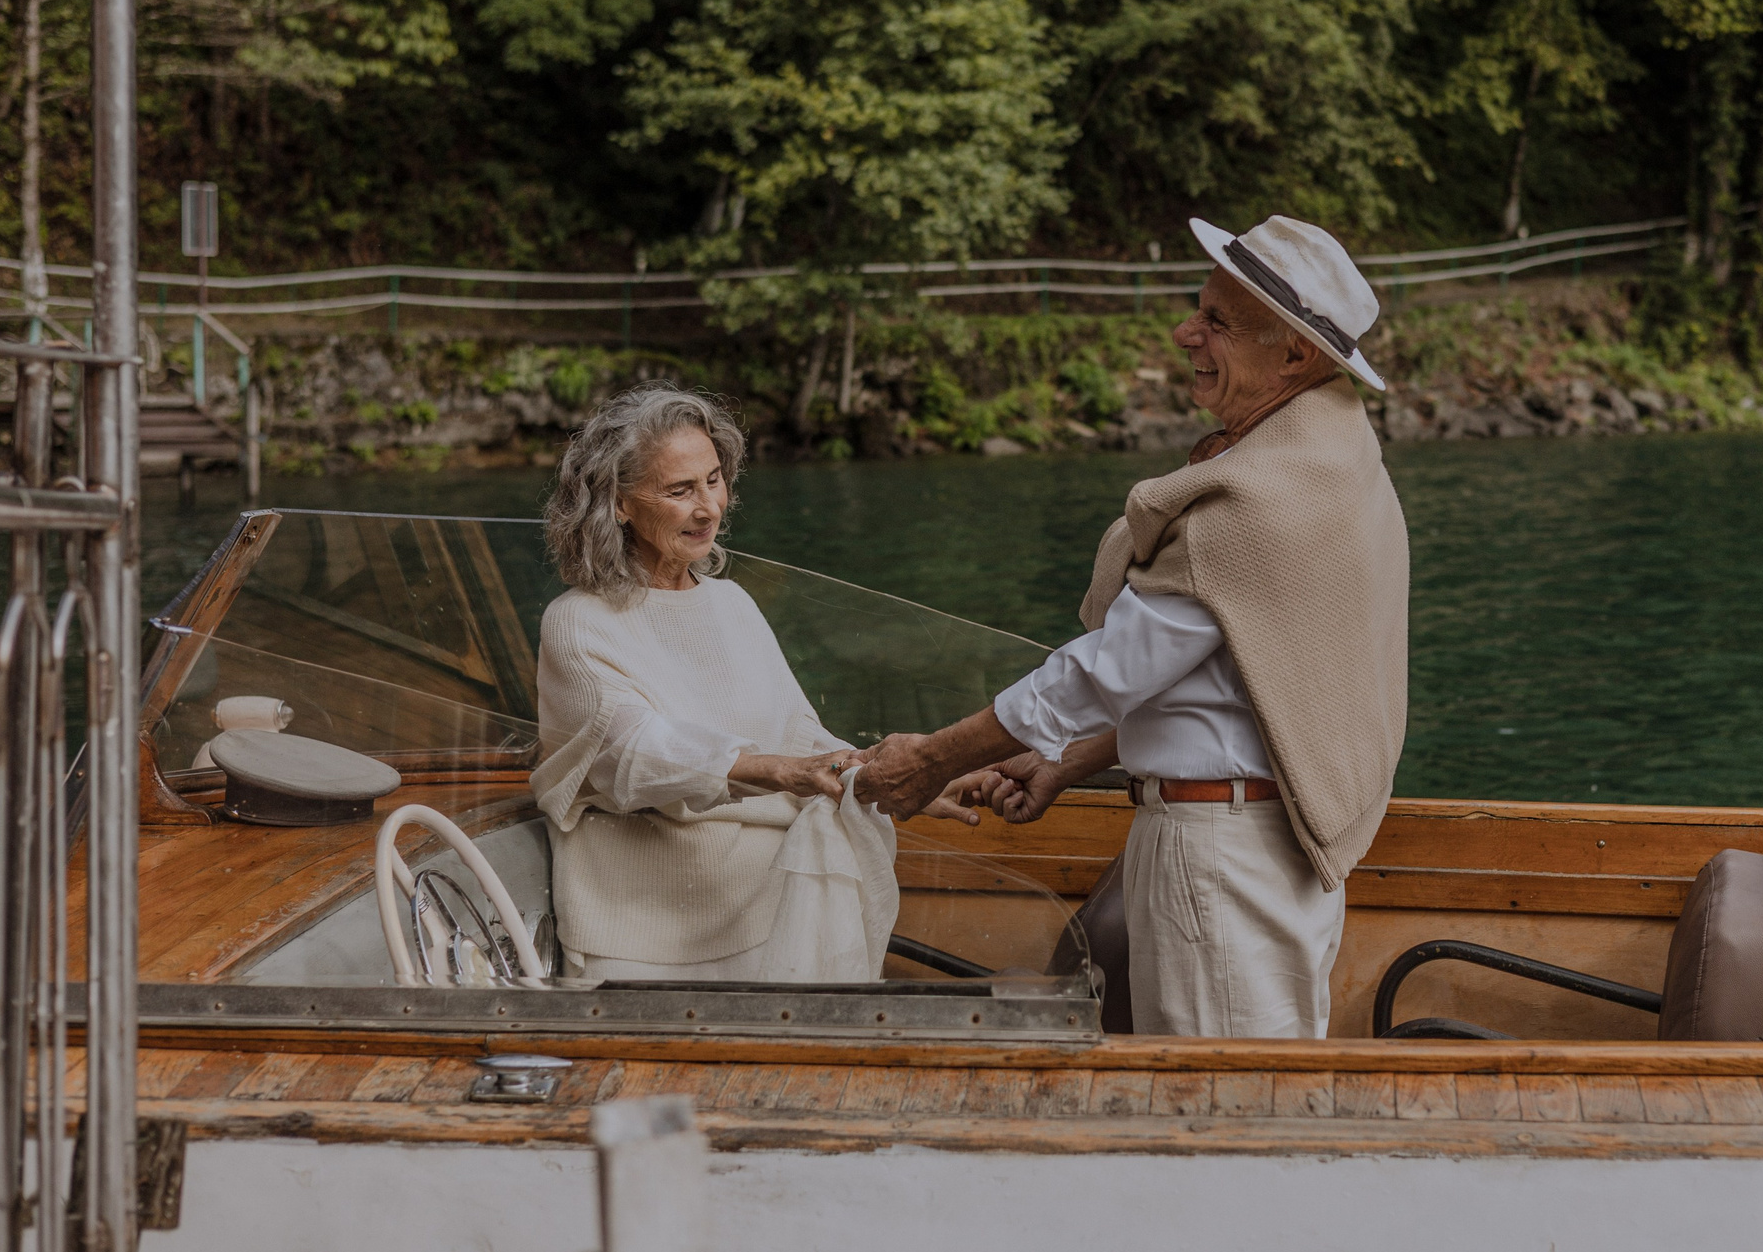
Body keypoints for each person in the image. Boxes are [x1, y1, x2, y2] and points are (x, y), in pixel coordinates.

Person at [864, 214, 1410, 1037]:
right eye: (1199, 308)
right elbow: (1234, 685)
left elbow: (1100, 673)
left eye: (1217, 322)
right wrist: (1064, 760)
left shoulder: (1252, 505)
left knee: (1221, 1129)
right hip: (1268, 850)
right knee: (1246, 1115)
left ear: (1296, 353)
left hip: (1220, 861)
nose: (1186, 331)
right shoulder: (1339, 464)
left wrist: (932, 759)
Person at [532, 384, 940, 983]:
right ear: (619, 503)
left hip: (773, 908)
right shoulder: (577, 622)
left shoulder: (732, 602)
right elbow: (635, 756)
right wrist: (774, 770)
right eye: (680, 490)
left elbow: (801, 732)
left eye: (714, 480)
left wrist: (908, 770)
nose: (709, 508)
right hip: (647, 937)